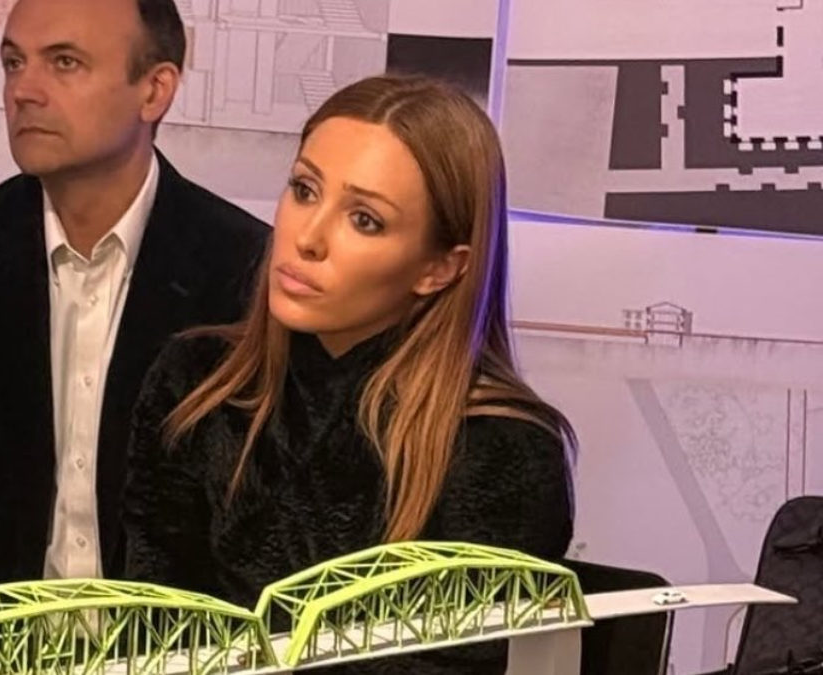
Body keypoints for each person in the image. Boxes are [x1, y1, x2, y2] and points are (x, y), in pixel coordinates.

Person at [122, 75, 575, 674]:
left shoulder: (502, 448)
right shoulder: (194, 383)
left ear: (441, 268)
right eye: (304, 190)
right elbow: (158, 636)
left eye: (364, 219)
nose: (307, 238)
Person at [0, 0, 269, 608]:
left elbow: (250, 534)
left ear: (154, 90)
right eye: (13, 62)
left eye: (64, 62)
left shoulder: (244, 269)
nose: (24, 91)